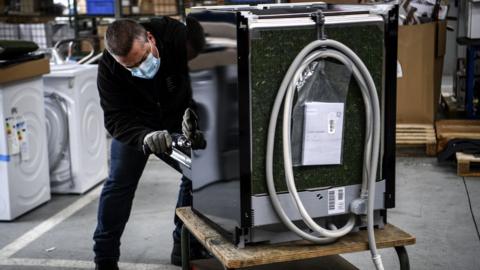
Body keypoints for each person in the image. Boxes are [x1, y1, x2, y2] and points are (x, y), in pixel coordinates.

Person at [93, 16, 205, 270]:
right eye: (131, 67)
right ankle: (105, 258)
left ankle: (184, 244)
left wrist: (196, 115)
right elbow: (115, 119)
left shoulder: (178, 38)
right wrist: (144, 137)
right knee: (119, 184)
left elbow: (209, 74)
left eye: (143, 59)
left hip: (179, 119)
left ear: (150, 39)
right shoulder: (109, 68)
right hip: (137, 126)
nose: (141, 69)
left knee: (197, 174)